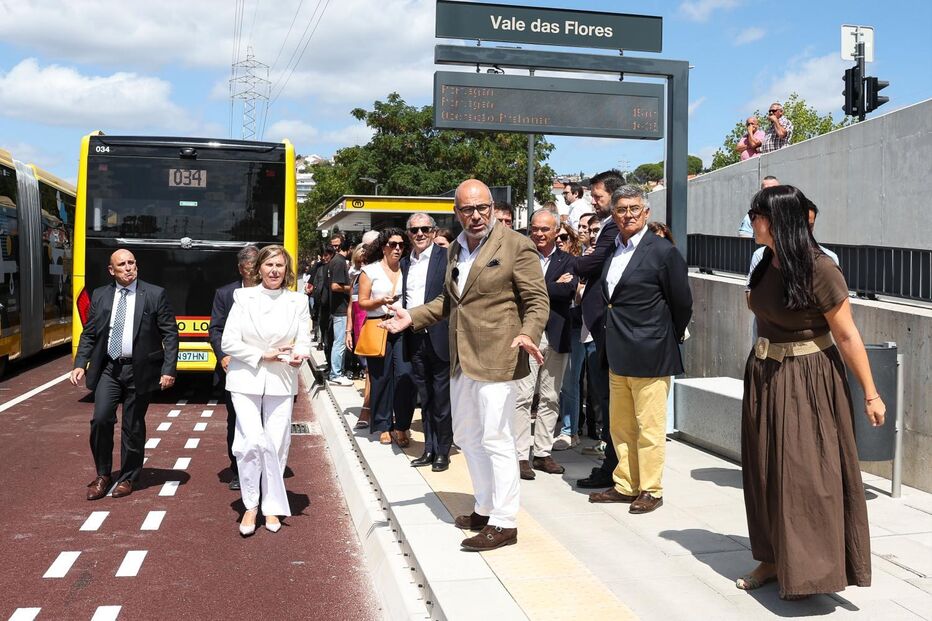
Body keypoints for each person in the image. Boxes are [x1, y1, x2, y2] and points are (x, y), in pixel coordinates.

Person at [382, 179, 549, 552]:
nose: (476, 216)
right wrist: (411, 316)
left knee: (497, 439)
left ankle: (505, 522)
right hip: (461, 358)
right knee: (469, 439)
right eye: (467, 209)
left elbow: (537, 301)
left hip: (498, 356)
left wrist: (528, 334)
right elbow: (448, 301)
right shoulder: (456, 248)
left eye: (482, 208)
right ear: (456, 213)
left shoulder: (516, 246)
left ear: (492, 207)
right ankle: (485, 506)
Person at [737, 185, 882, 599]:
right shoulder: (765, 262)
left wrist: (871, 393)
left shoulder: (821, 269)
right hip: (765, 374)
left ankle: (813, 570)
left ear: (778, 219)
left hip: (807, 379)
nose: (751, 221)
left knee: (806, 476)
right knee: (764, 471)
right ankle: (771, 557)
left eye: (757, 214)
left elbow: (848, 334)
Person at [588, 186, 692, 514]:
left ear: (646, 213)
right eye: (621, 209)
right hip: (617, 353)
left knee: (649, 427)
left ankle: (651, 489)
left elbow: (682, 303)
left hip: (651, 353)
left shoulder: (663, 251)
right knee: (620, 426)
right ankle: (626, 483)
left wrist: (661, 337)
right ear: (613, 214)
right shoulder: (613, 251)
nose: (628, 215)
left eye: (634, 209)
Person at [71, 249, 179, 501]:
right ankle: (103, 475)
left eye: (132, 263)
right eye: (122, 265)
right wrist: (80, 363)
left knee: (132, 426)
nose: (129, 268)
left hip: (140, 370)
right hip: (109, 368)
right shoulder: (100, 295)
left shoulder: (154, 294)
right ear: (112, 270)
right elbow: (89, 333)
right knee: (100, 419)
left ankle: (128, 477)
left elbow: (170, 334)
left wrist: (168, 369)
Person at [221, 245, 310, 536]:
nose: (274, 270)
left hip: (282, 379)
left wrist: (299, 353)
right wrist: (263, 354)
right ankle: (250, 505)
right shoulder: (242, 298)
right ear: (258, 268)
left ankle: (272, 505)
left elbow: (304, 339)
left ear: (287, 271)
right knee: (249, 442)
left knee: (277, 441)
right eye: (269, 264)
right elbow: (229, 342)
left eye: (280, 266)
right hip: (245, 378)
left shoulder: (298, 301)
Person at [514, 209, 577, 479]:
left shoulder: (569, 261)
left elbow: (568, 291)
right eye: (535, 228)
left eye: (545, 229)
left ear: (556, 231)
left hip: (557, 335)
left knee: (551, 397)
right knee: (522, 397)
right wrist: (551, 284)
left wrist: (538, 285)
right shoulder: (520, 256)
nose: (539, 234)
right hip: (528, 333)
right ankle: (519, 455)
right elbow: (515, 289)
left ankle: (541, 453)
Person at [572, 169, 625, 488]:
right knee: (603, 398)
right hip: (596, 325)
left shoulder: (610, 231)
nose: (593, 201)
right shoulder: (606, 228)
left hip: (604, 329)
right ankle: (611, 464)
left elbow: (594, 263)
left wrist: (568, 263)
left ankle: (613, 466)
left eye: (597, 196)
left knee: (608, 400)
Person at [401, 214, 452, 472]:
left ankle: (443, 450)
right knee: (426, 397)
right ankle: (429, 448)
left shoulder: (446, 257)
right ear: (408, 234)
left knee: (442, 398)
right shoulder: (404, 264)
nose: (419, 234)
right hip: (413, 336)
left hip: (440, 336)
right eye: (414, 230)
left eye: (424, 229)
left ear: (433, 232)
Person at [208, 245, 259, 491]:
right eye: (250, 268)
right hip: (234, 369)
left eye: (257, 266)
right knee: (236, 419)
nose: (254, 272)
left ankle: (262, 468)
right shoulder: (225, 294)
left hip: (264, 368)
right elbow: (215, 329)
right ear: (241, 269)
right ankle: (238, 469)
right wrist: (223, 356)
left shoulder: (271, 293)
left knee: (263, 420)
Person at [357, 228, 414, 446]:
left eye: (401, 244)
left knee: (405, 376)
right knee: (380, 378)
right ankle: (383, 425)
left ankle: (402, 426)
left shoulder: (408, 269)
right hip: (378, 325)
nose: (397, 248)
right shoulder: (369, 271)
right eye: (392, 244)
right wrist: (381, 301)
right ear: (383, 247)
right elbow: (362, 302)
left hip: (402, 326)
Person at [346, 232, 380, 429]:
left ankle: (369, 409)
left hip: (377, 326)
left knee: (373, 370)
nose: (367, 251)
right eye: (365, 247)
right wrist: (348, 331)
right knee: (368, 368)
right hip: (361, 328)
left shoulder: (388, 272)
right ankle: (370, 409)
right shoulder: (358, 278)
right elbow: (351, 305)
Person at [328, 234, 353, 386]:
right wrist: (352, 288)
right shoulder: (339, 262)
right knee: (340, 343)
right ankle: (336, 373)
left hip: (339, 309)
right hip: (340, 310)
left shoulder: (337, 261)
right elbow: (335, 286)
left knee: (340, 342)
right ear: (349, 248)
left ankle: (337, 372)